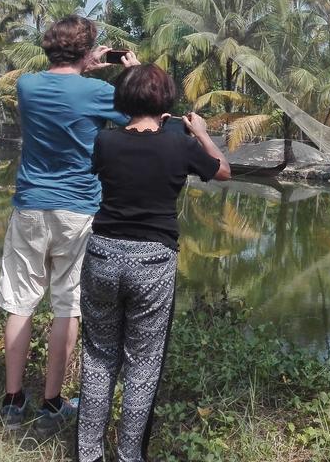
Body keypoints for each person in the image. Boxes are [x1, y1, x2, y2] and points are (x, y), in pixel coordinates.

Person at [76, 64, 230, 462]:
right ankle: (130, 455)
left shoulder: (104, 142)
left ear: (123, 100)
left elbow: (107, 165)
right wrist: (201, 134)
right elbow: (224, 170)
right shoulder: (180, 146)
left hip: (103, 254)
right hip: (152, 261)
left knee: (98, 355)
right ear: (167, 105)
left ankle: (89, 454)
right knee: (143, 363)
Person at [0, 15, 138, 431]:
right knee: (66, 305)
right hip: (78, 210)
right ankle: (52, 401)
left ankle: (13, 399)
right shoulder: (100, 92)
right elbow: (140, 113)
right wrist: (129, 69)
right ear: (88, 49)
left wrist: (83, 63)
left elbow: (61, 82)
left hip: (31, 205)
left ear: (48, 46)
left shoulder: (28, 85)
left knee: (21, 302)